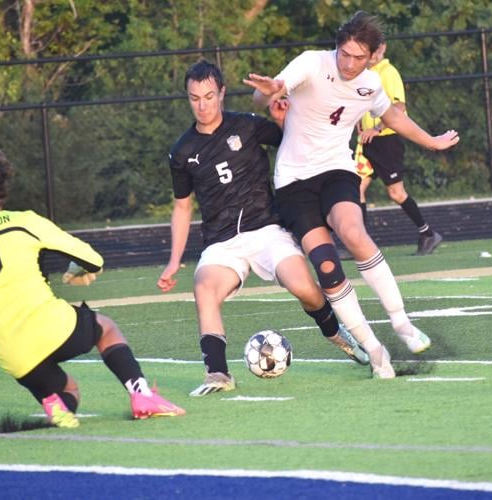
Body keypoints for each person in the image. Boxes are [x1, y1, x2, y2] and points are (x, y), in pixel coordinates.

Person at [244, 11, 459, 378]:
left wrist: (432, 142)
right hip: (294, 182)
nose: (348, 62)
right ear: (337, 47)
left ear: (373, 56)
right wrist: (266, 94)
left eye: (358, 57)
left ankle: (402, 323)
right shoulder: (313, 63)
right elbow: (272, 91)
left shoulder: (372, 84)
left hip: (336, 171)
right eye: (344, 53)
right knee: (327, 266)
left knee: (354, 232)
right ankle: (375, 351)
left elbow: (392, 117)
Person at [157, 60, 369, 397]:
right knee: (204, 289)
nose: (203, 104)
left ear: (222, 93)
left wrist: (284, 120)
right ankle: (218, 374)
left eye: (209, 96)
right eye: (195, 98)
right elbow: (183, 206)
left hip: (268, 231)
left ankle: (336, 334)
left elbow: (296, 141)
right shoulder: (182, 151)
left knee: (305, 288)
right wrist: (173, 262)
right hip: (221, 244)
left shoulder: (249, 127)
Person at [0, 150, 185, 427]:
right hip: (52, 328)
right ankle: (142, 396)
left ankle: (57, 408)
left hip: (13, 356)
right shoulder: (24, 222)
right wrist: (78, 269)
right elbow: (93, 260)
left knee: (68, 390)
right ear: (1, 189)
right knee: (105, 328)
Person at [357, 41, 443, 256]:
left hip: (386, 140)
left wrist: (376, 128)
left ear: (383, 48)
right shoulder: (364, 75)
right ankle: (360, 244)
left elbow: (398, 107)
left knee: (396, 193)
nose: (372, 55)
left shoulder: (388, 72)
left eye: (375, 50)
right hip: (366, 142)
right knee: (355, 189)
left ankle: (428, 233)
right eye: (369, 51)